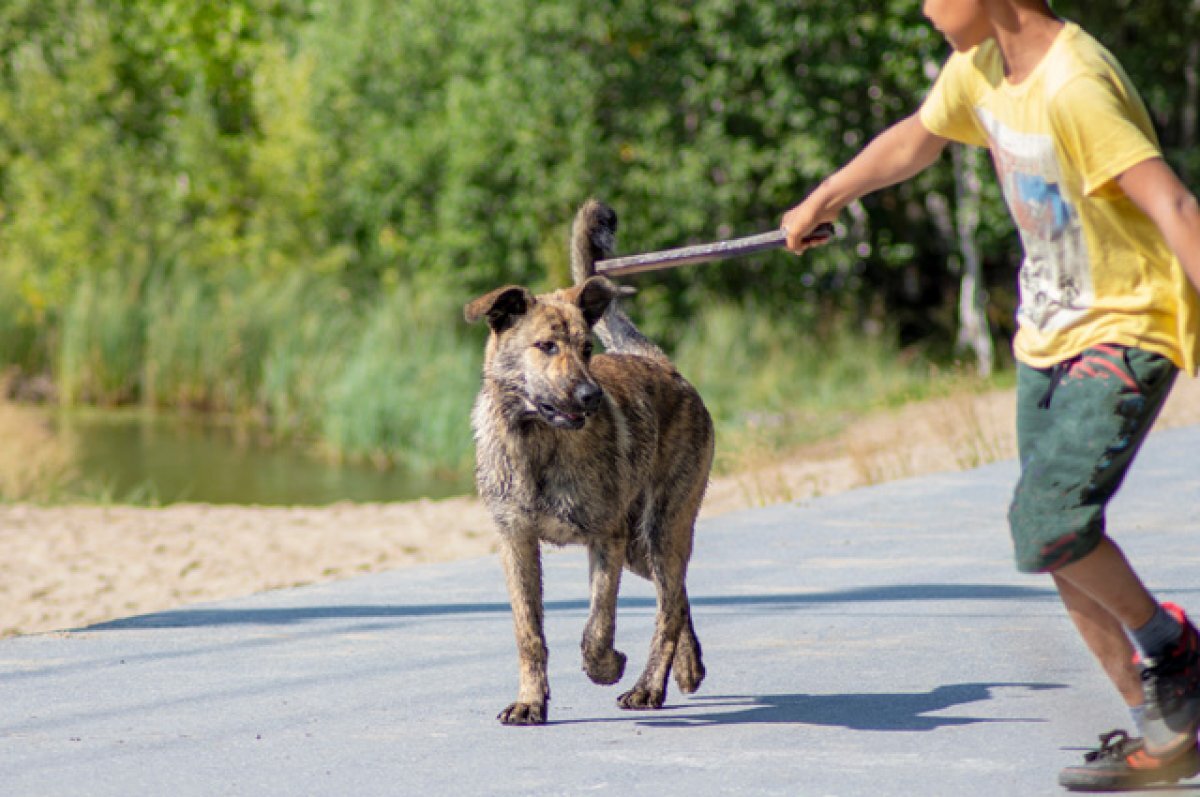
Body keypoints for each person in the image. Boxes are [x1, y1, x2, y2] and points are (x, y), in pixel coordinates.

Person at [780, 0, 1200, 791]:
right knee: (1059, 545)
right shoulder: (981, 67)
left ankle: (1171, 646)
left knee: (1047, 523)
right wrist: (826, 196)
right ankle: (1166, 733)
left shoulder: (1075, 85)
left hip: (1126, 327)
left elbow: (1175, 205)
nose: (923, 5)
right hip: (1046, 337)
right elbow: (917, 136)